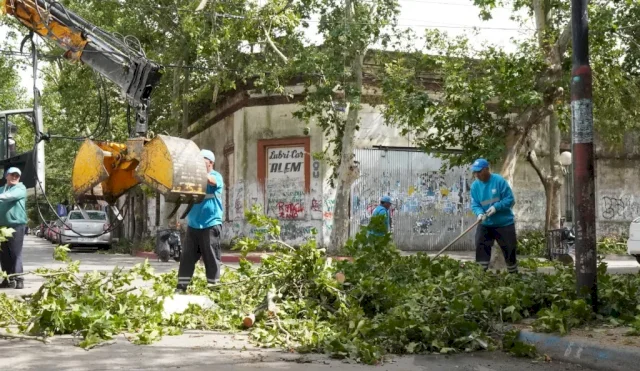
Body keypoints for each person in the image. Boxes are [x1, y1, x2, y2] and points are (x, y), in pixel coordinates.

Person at [176, 149, 224, 293]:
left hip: (211, 224)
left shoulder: (216, 176)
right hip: (193, 225)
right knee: (187, 258)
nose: (199, 165)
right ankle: (181, 288)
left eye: (202, 162)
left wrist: (197, 171)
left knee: (211, 258)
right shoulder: (192, 178)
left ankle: (214, 289)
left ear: (211, 163)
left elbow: (212, 181)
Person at [470, 159, 518, 274]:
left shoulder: (499, 181)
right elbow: (475, 204)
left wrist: (497, 207)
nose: (476, 175)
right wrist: (479, 213)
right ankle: (480, 275)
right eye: (475, 172)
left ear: (486, 169)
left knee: (509, 250)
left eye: (479, 171)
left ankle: (513, 275)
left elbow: (510, 199)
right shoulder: (475, 186)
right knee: (481, 247)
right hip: (485, 224)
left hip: (504, 223)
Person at [0, 167, 27, 289]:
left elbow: (9, 196)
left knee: (16, 253)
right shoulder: (1, 189)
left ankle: (19, 278)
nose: (14, 177)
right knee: (3, 254)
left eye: (17, 175)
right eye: (12, 175)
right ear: (6, 176)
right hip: (2, 226)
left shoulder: (20, 188)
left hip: (16, 225)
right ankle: (7, 279)